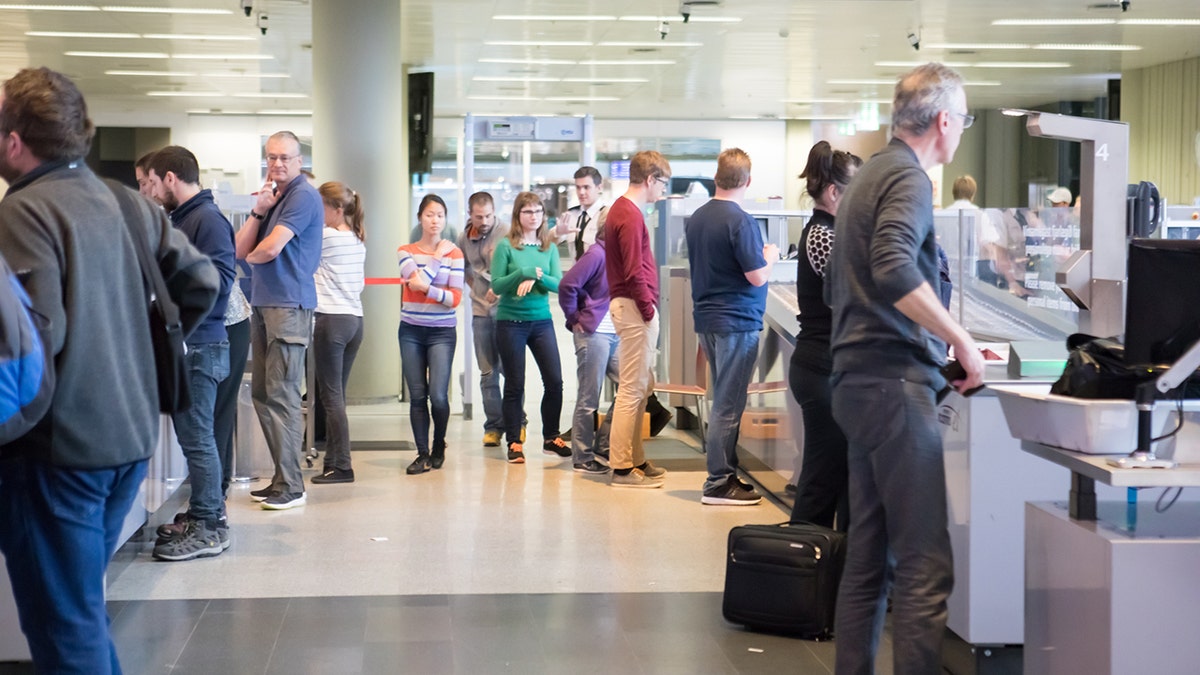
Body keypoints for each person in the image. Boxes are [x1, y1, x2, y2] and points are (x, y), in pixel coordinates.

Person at [0, 67, 218, 673]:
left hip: (56, 452)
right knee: (78, 614)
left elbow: (33, 347)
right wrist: (136, 358)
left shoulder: (22, 215)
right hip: (128, 438)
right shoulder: (127, 202)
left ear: (15, 141)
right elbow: (200, 282)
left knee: (64, 630)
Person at [826, 62, 985, 674]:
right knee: (925, 564)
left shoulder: (870, 175)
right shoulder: (910, 180)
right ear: (944, 120)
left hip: (858, 383)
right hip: (893, 386)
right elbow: (894, 266)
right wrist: (960, 340)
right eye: (964, 119)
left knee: (871, 559)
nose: (962, 129)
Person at [145, 146, 237, 561]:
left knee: (198, 439)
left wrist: (179, 320)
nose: (145, 191)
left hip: (200, 345)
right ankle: (205, 516)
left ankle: (209, 526)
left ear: (169, 178)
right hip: (190, 343)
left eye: (148, 182)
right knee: (194, 438)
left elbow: (219, 280)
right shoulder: (183, 218)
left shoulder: (207, 219)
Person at [235, 130, 324, 511]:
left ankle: (292, 485)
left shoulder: (303, 195)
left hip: (289, 307)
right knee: (263, 395)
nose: (277, 164)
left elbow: (267, 249)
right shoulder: (272, 198)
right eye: (272, 157)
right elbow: (240, 247)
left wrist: (247, 258)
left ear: (299, 161)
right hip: (263, 303)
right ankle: (281, 477)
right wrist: (258, 211)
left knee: (283, 394)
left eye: (285, 157)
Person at [684, 148, 777, 506]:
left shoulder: (697, 218)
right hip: (737, 321)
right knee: (728, 403)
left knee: (721, 397)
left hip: (707, 318)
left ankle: (724, 475)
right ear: (748, 181)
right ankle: (719, 482)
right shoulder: (740, 221)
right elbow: (756, 276)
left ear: (716, 177)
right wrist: (770, 256)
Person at [788, 141, 862, 528]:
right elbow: (852, 297)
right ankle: (801, 573)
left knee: (841, 476)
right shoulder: (823, 235)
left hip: (829, 369)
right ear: (834, 193)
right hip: (821, 370)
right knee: (821, 480)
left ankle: (837, 573)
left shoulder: (835, 233)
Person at [606, 150, 672, 488]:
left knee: (640, 387)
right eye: (662, 182)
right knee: (632, 390)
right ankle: (621, 467)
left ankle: (635, 460)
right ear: (650, 179)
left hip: (630, 307)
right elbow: (634, 271)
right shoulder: (629, 215)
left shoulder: (623, 210)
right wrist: (648, 310)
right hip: (634, 308)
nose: (663, 190)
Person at [490, 191, 569, 464]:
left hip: (541, 321)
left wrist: (537, 276)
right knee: (515, 384)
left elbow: (559, 285)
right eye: (527, 212)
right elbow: (497, 285)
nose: (533, 216)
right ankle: (514, 441)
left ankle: (551, 437)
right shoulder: (506, 247)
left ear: (543, 216)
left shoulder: (549, 248)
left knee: (555, 381)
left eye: (537, 212)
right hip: (510, 322)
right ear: (517, 216)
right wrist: (521, 273)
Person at [398, 194, 464, 474]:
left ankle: (439, 444)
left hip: (442, 332)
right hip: (411, 330)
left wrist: (428, 289)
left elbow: (454, 299)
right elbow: (416, 283)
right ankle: (422, 453)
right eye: (429, 215)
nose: (435, 220)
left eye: (439, 215)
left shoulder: (456, 254)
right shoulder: (405, 251)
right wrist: (437, 259)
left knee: (438, 395)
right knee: (417, 395)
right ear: (420, 218)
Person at [310, 181, 366, 484]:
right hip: (354, 320)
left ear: (338, 209)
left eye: (321, 207)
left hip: (330, 321)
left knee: (330, 399)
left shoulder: (326, 237)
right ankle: (332, 462)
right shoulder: (358, 240)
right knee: (336, 397)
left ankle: (342, 466)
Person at [458, 191, 517, 447]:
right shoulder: (464, 238)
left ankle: (517, 421)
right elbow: (464, 268)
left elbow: (516, 266)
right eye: (479, 216)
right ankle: (494, 426)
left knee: (511, 370)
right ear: (470, 214)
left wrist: (502, 288)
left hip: (506, 311)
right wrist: (474, 287)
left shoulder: (506, 232)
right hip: (480, 311)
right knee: (487, 372)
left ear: (495, 212)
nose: (484, 221)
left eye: (489, 215)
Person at [558, 224, 616, 475]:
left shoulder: (616, 256)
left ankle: (604, 444)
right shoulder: (597, 254)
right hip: (594, 333)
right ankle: (582, 455)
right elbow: (567, 285)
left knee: (634, 387)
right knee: (589, 396)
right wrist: (574, 318)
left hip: (615, 332)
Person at [554, 165, 609, 259]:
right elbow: (548, 243)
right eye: (578, 187)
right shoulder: (571, 215)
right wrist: (558, 234)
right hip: (577, 271)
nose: (581, 192)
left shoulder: (607, 216)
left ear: (599, 187)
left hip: (599, 272)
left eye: (586, 187)